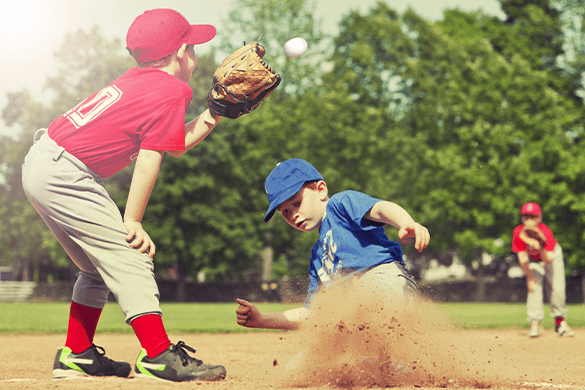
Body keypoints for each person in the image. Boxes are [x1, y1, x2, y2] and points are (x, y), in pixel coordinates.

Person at [22, 8, 227, 382]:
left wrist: (214, 114)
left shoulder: (140, 81)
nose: (195, 54)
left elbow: (174, 143)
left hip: (43, 163)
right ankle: (158, 354)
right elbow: (151, 157)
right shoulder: (173, 89)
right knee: (131, 254)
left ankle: (78, 355)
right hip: (67, 172)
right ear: (182, 53)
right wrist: (132, 220)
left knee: (94, 269)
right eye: (193, 46)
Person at [235, 158, 430, 330]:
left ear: (321, 189)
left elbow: (380, 209)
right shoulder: (318, 257)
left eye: (296, 203)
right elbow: (314, 314)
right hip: (358, 311)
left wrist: (406, 222)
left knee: (356, 304)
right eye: (285, 212)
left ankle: (391, 361)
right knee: (308, 361)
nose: (293, 214)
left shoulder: (340, 205)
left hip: (388, 286)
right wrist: (262, 320)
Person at [512, 202, 574, 338]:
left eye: (532, 216)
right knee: (534, 287)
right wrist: (530, 278)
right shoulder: (518, 232)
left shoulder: (545, 232)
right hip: (533, 260)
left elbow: (548, 260)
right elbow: (523, 257)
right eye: (525, 216)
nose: (528, 220)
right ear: (522, 218)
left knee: (557, 287)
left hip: (551, 256)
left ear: (539, 218)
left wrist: (539, 245)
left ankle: (560, 323)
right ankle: (535, 324)